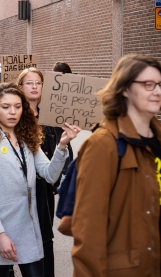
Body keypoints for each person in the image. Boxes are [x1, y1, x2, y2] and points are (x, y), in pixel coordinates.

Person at [0, 83, 79, 276]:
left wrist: (62, 146)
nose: (13, 112)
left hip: (28, 226)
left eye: (18, 106)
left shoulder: (26, 136)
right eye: (5, 107)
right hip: (0, 228)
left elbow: (49, 174)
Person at [71, 54, 161, 276]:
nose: (157, 91)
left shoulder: (157, 139)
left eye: (160, 84)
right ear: (124, 89)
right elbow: (88, 228)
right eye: (148, 85)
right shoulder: (104, 144)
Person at [15, 67, 74, 277]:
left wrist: (58, 180)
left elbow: (64, 151)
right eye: (29, 82)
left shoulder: (52, 116)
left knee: (44, 237)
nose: (34, 86)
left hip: (44, 187)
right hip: (19, 188)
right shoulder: (13, 116)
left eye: (37, 83)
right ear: (20, 86)